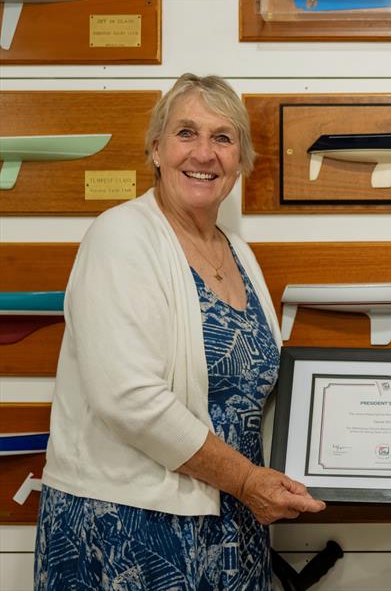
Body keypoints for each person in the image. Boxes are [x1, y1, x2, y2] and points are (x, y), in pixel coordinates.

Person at [34, 73, 325, 590]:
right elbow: (129, 399)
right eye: (186, 133)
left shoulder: (239, 252)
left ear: (241, 160)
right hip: (130, 527)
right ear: (156, 149)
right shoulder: (121, 236)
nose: (204, 153)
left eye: (223, 137)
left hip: (233, 522)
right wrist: (246, 480)